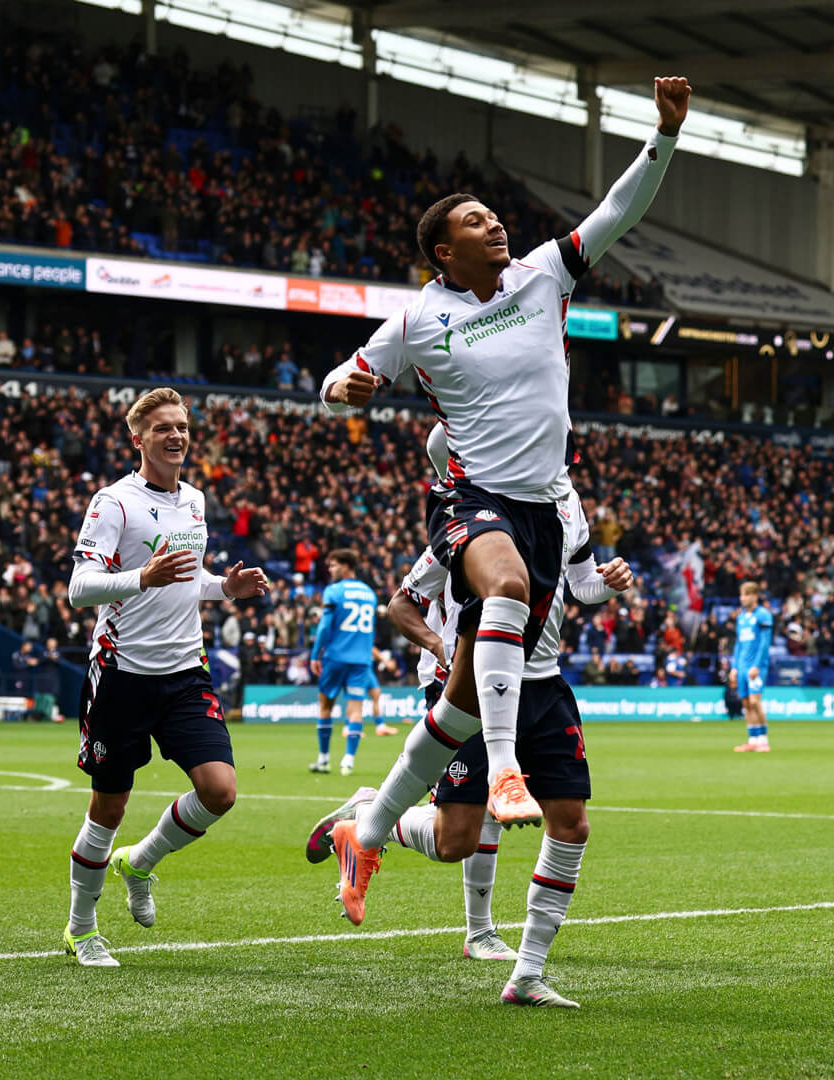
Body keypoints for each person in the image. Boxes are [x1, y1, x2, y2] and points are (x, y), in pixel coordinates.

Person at [320, 76, 690, 911]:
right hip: (472, 500)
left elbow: (619, 211)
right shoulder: (417, 321)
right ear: (442, 252)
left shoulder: (544, 275)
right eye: (474, 220)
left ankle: (366, 829)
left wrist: (664, 134)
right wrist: (343, 389)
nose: (495, 224)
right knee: (508, 589)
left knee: (451, 717)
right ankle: (505, 769)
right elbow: (338, 377)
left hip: (541, 510)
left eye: (494, 215)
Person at [311, 482, 633, 1007]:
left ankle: (527, 973)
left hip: (545, 684)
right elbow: (403, 603)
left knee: (572, 823)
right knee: (454, 839)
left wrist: (609, 582)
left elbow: (581, 585)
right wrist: (438, 647)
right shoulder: (473, 513)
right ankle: (375, 818)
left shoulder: (569, 505)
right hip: (474, 686)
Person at [63, 387, 268, 967]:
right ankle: (82, 929)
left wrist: (224, 587)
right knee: (108, 808)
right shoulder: (113, 502)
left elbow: (187, 577)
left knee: (220, 791)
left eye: (181, 426)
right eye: (162, 428)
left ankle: (141, 861)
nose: (176, 435)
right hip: (121, 674)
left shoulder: (195, 500)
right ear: (138, 438)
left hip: (184, 672)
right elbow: (80, 588)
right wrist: (139, 579)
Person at [308, 549, 392, 778]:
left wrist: (315, 655)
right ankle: (348, 761)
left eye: (333, 565)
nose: (330, 570)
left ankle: (324, 759)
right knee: (356, 710)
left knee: (325, 707)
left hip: (335, 657)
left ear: (346, 566)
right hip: (361, 660)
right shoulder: (369, 594)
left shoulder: (334, 591)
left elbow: (324, 627)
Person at [731, 581, 773, 753]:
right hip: (742, 666)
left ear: (755, 596)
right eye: (741, 594)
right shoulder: (741, 618)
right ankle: (752, 740)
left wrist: (756, 665)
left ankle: (763, 740)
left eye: (746, 594)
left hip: (756, 666)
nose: (742, 598)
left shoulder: (763, 615)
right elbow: (738, 644)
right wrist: (734, 667)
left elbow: (764, 643)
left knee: (755, 701)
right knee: (747, 703)